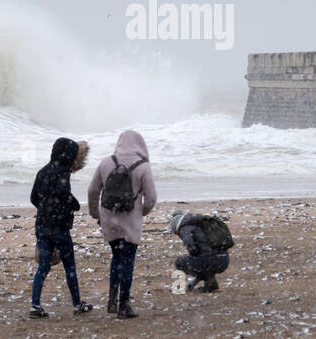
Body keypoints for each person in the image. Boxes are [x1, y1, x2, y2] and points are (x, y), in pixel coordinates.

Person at [87, 129, 156, 319]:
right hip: (131, 221)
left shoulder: (106, 163)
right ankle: (124, 304)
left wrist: (96, 215)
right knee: (128, 260)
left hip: (109, 220)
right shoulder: (143, 167)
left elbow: (93, 191)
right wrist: (140, 213)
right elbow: (151, 199)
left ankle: (112, 299)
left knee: (116, 258)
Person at [28, 138, 92, 318]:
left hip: (42, 225)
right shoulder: (62, 173)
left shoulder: (42, 172)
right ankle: (77, 304)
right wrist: (74, 204)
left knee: (43, 267)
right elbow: (63, 194)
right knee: (69, 266)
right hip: (59, 227)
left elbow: (33, 197)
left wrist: (44, 208)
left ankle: (35, 304)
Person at [169, 211, 232, 292]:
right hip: (224, 260)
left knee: (180, 262)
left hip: (210, 261)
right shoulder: (200, 222)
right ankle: (209, 284)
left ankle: (207, 281)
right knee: (202, 261)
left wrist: (193, 254)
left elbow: (192, 248)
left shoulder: (184, 228)